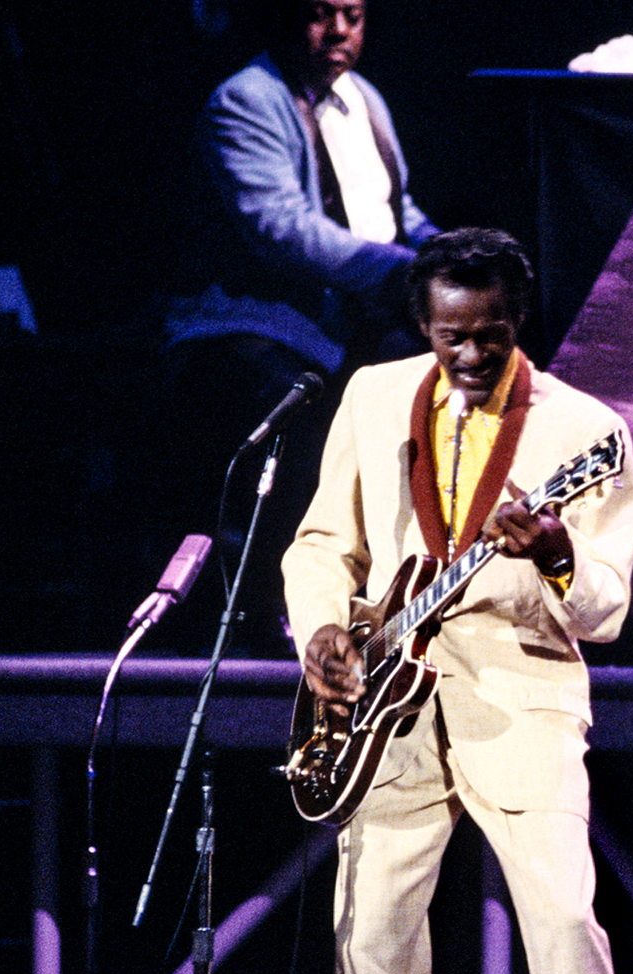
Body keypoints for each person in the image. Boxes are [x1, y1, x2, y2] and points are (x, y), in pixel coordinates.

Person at [283, 228, 633, 974]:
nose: (473, 353)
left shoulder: (587, 430)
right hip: (384, 710)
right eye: (454, 336)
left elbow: (607, 609)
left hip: (522, 697)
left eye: (493, 334)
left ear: (520, 321)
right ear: (424, 325)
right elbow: (324, 542)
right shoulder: (372, 397)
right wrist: (325, 628)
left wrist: (558, 552)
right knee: (367, 955)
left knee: (563, 928)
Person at [156, 0, 441, 650]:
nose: (339, 31)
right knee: (293, 397)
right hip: (249, 324)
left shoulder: (363, 98)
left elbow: (396, 210)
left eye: (354, 15)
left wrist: (451, 253)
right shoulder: (246, 100)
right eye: (319, 13)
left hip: (343, 322)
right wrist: (408, 272)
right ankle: (273, 607)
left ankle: (404, 599)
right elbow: (282, 229)